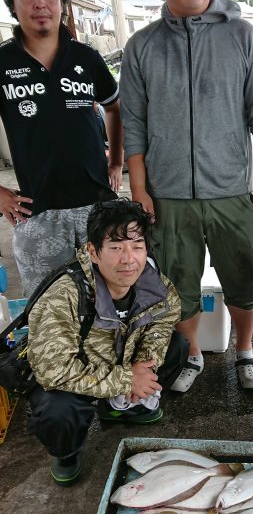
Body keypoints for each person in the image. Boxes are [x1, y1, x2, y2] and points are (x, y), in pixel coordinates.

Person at [119, 0, 253, 393]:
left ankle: (245, 351)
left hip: (231, 190)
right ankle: (190, 353)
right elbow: (134, 124)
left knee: (243, 279)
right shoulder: (142, 46)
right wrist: (140, 187)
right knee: (177, 286)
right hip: (168, 196)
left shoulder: (243, 36)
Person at [27, 199, 187, 486]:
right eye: (115, 247)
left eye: (136, 246)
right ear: (93, 251)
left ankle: (123, 408)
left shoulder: (153, 281)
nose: (128, 259)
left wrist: (144, 366)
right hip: (80, 376)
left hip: (122, 362)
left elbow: (165, 319)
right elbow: (53, 370)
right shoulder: (63, 295)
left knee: (177, 346)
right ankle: (66, 451)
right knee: (56, 409)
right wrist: (127, 380)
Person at [0, 0, 124, 296]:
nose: (39, 2)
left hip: (96, 207)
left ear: (62, 1)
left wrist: (115, 160)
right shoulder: (2, 63)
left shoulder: (87, 58)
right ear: (13, 3)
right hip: (36, 212)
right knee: (48, 309)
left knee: (108, 300)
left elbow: (114, 108)